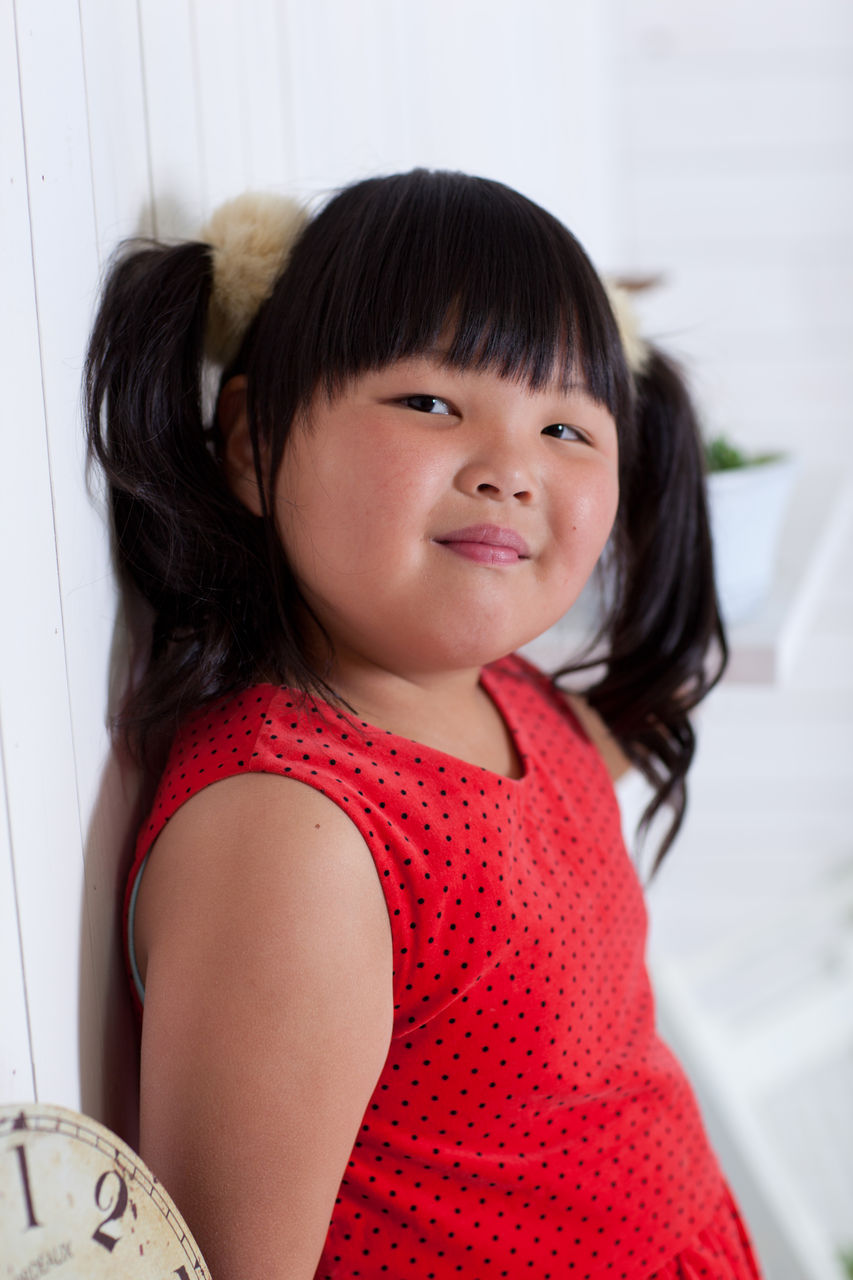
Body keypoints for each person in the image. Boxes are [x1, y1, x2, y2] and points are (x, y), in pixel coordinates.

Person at [86, 170, 760, 1280]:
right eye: (431, 404)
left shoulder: (514, 697)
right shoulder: (291, 840)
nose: (510, 470)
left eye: (563, 426)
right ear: (252, 443)